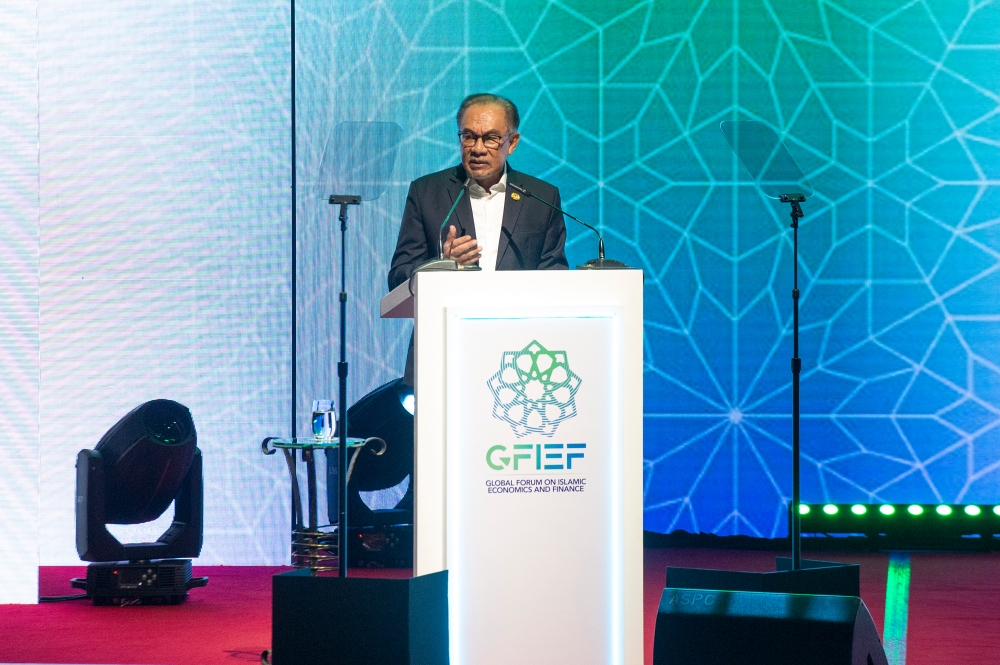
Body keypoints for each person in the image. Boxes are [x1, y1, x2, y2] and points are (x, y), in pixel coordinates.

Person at [388, 93, 568, 291]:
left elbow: (555, 277)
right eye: (469, 137)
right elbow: (397, 277)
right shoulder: (426, 193)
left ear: (513, 143)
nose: (478, 149)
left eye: (491, 138)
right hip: (446, 318)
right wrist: (441, 265)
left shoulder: (541, 198)